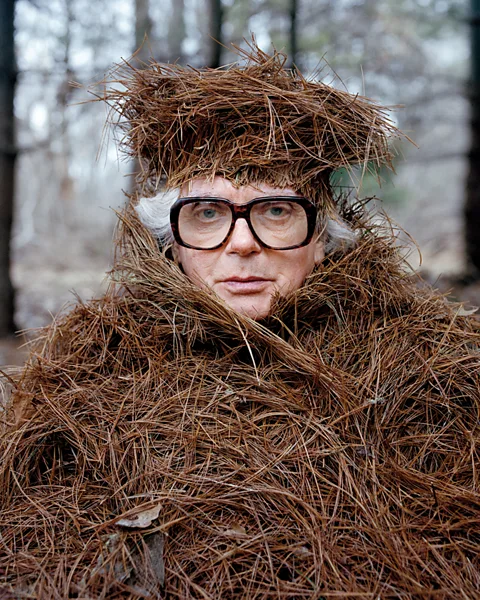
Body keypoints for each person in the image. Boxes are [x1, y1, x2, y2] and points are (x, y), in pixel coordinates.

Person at [1, 42, 480, 599]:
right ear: (171, 243)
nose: (244, 244)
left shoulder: (438, 376)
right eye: (207, 214)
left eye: (276, 211)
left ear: (321, 239)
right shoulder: (80, 382)